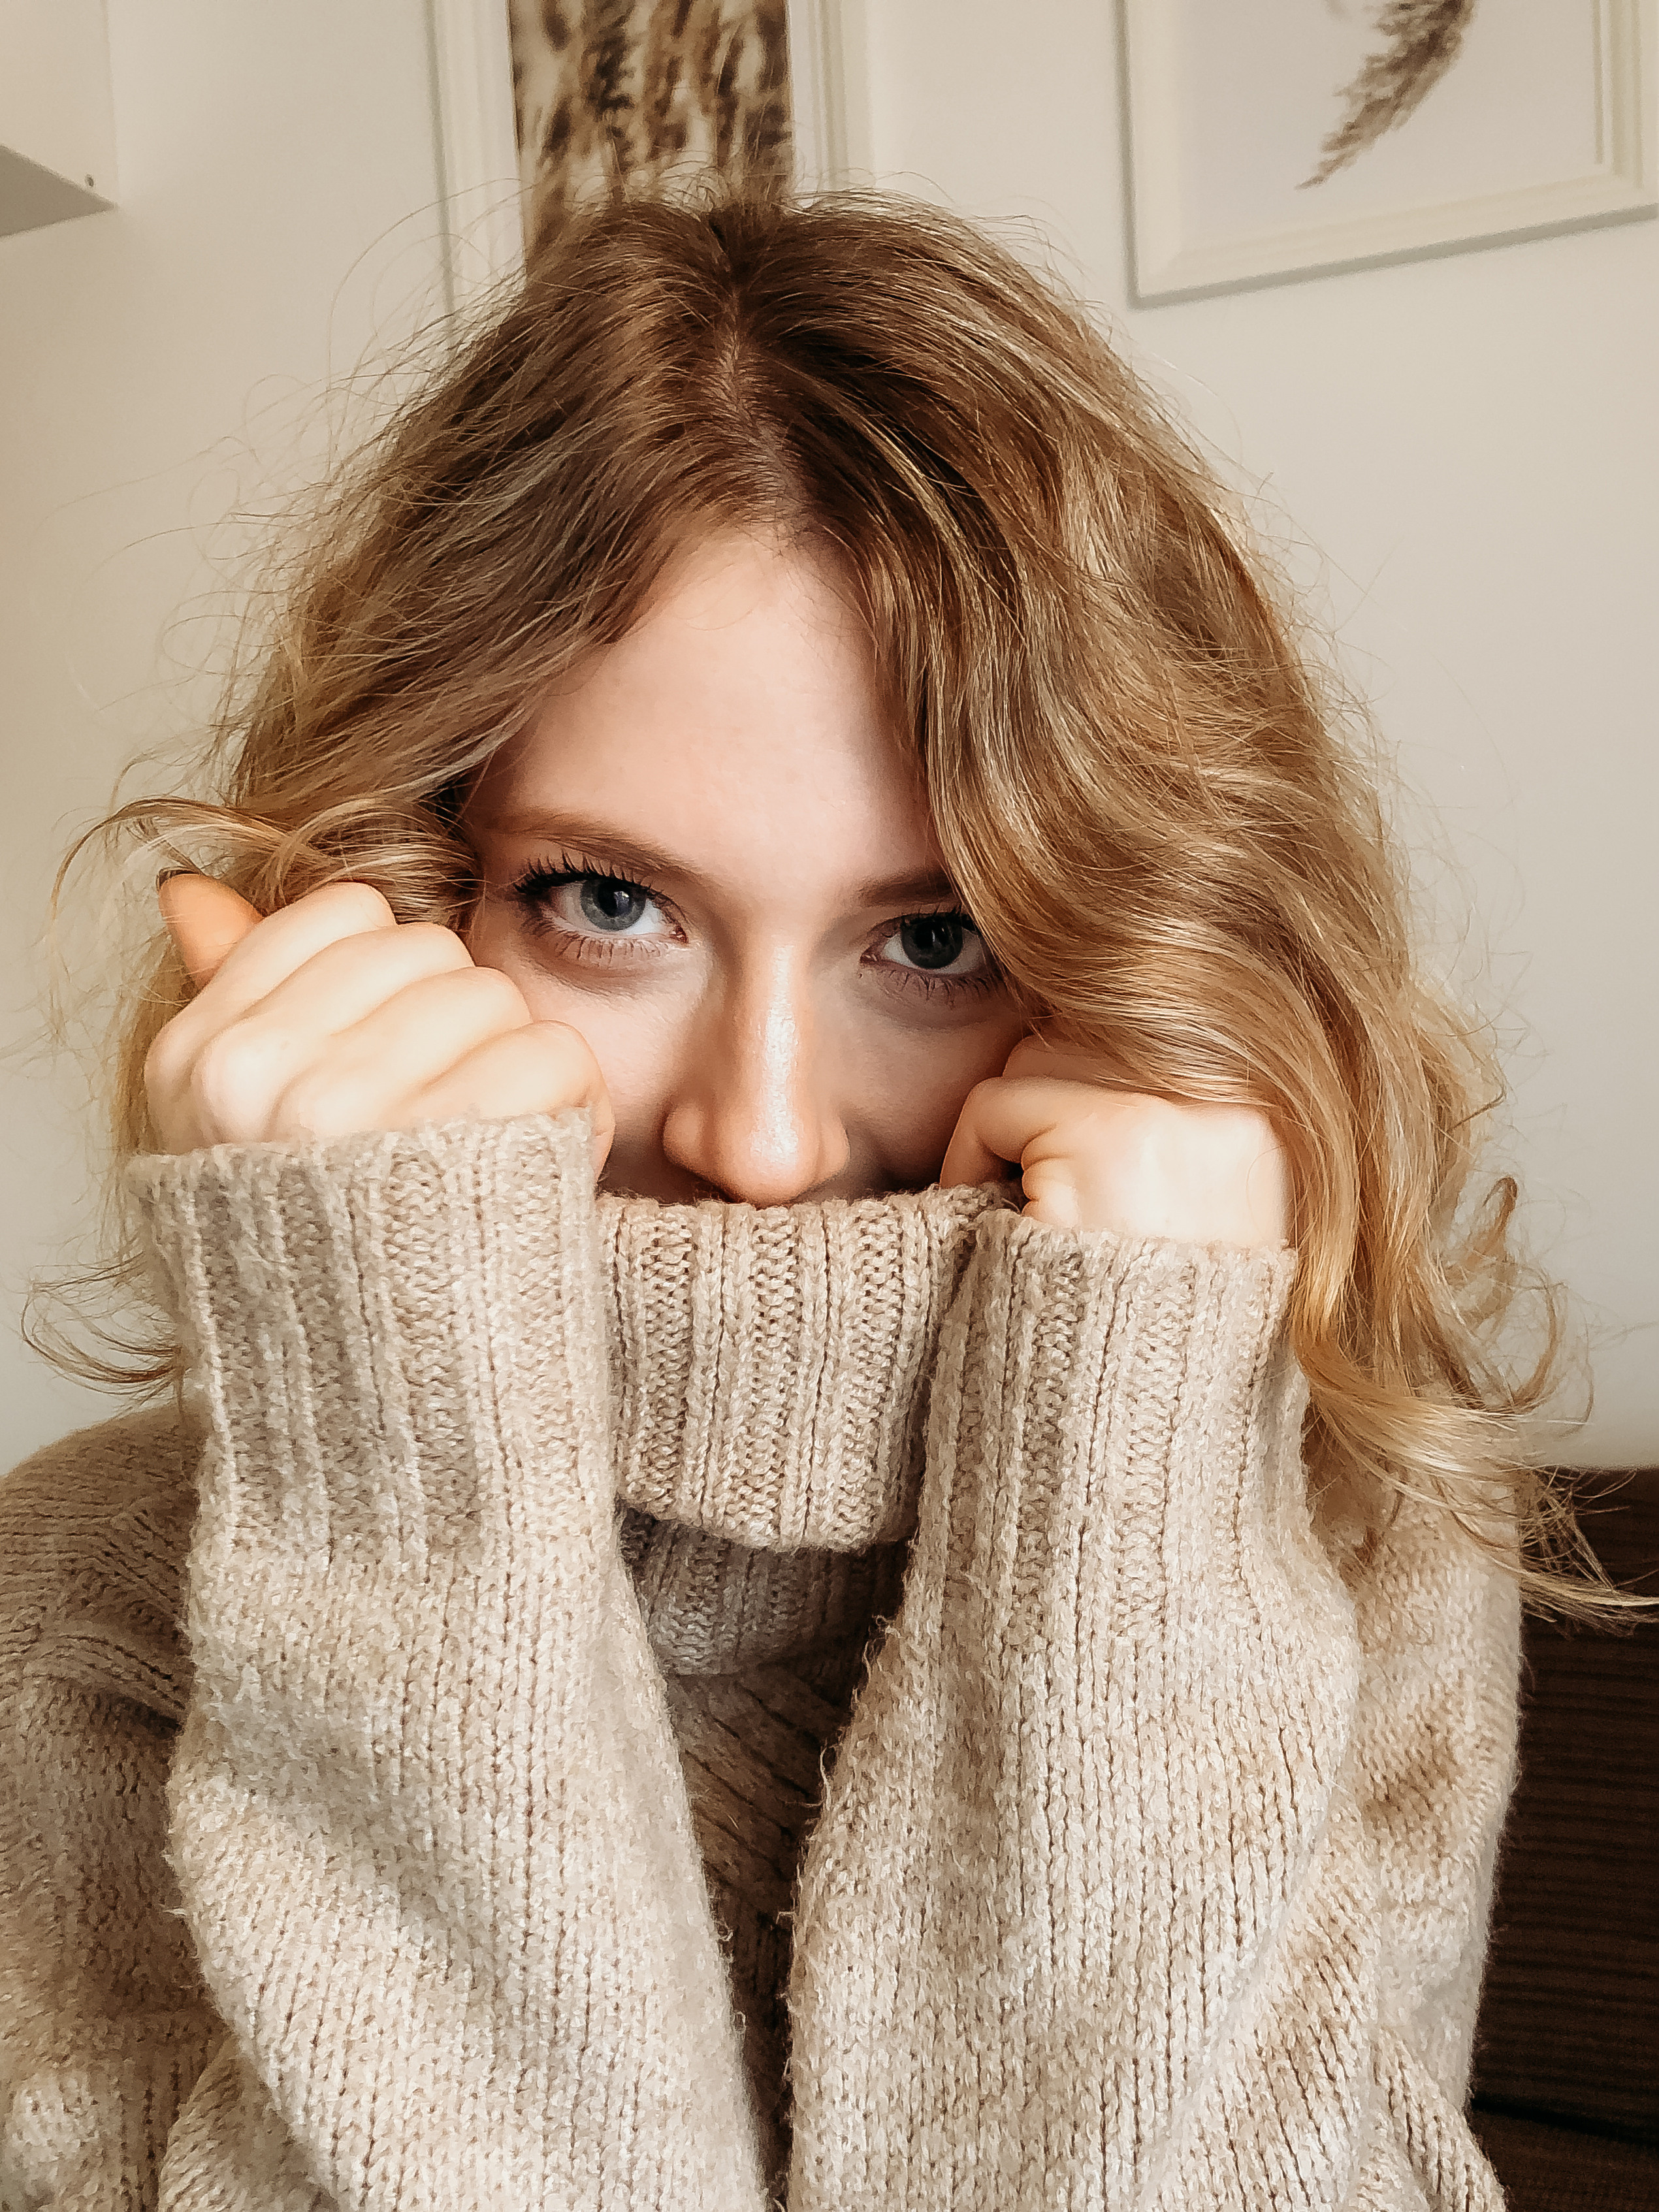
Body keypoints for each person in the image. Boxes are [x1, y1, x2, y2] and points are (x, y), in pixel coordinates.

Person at [0, 184, 1611, 2211]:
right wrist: (400, 1467)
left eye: (929, 938)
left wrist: (1118, 1487)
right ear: (412, 896)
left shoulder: (1342, 1532)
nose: (762, 1138)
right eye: (609, 904)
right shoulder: (103, 1582)